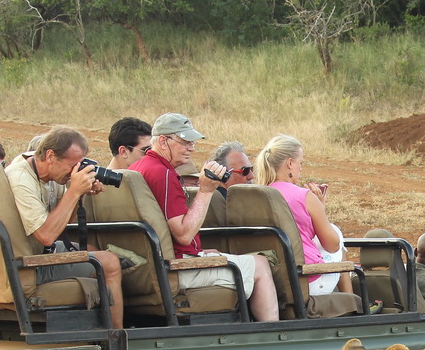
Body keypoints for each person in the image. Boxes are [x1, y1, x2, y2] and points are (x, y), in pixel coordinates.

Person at [129, 113, 279, 322]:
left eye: (192, 142)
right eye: (185, 142)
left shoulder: (137, 168)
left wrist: (198, 252)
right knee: (261, 264)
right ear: (163, 141)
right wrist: (206, 190)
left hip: (153, 263)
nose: (191, 147)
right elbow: (183, 235)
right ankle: (273, 334)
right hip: (176, 267)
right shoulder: (163, 174)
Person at [4, 126, 125, 329]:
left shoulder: (50, 176)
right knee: (109, 263)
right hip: (27, 260)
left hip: (38, 251)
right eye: (71, 165)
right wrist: (73, 191)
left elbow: (63, 222)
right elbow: (46, 235)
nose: (73, 172)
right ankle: (116, 335)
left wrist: (80, 193)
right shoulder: (20, 179)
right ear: (50, 155)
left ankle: (92, 324)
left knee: (93, 251)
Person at [254, 134, 352, 295]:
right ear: (290, 163)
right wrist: (320, 209)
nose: (301, 168)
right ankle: (351, 299)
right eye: (300, 163)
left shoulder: (257, 195)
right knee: (337, 235)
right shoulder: (305, 197)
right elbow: (332, 246)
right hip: (307, 280)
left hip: (270, 280)